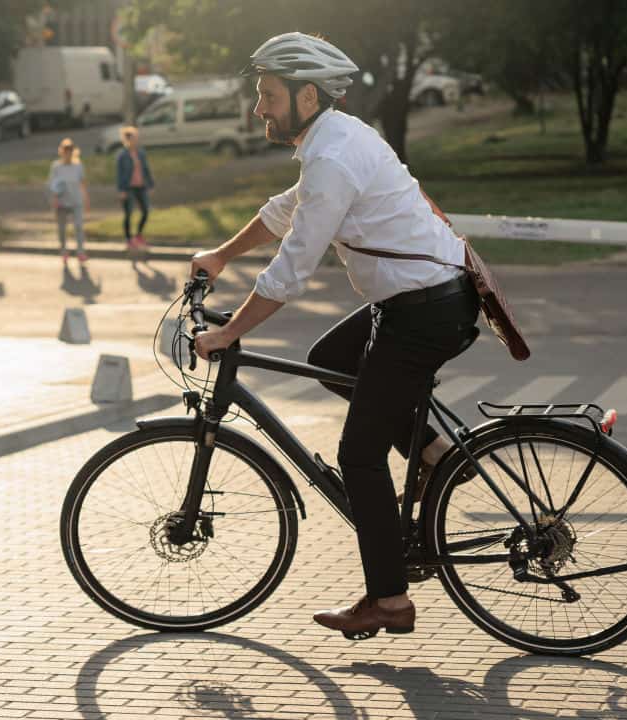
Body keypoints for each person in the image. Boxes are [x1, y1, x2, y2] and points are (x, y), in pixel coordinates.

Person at [191, 32, 480, 638]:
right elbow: (284, 210)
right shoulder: (334, 140)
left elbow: (290, 268)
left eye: (268, 95)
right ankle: (435, 451)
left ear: (306, 96)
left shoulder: (333, 157)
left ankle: (389, 601)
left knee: (359, 457)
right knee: (330, 358)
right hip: (420, 299)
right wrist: (220, 253)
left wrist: (229, 334)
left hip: (422, 310)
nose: (259, 108)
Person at [48, 137, 90, 263]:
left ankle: (80, 251)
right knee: (62, 228)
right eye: (66, 150)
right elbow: (53, 184)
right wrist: (54, 199)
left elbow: (82, 183)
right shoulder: (56, 167)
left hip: (76, 200)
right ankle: (64, 250)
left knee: (78, 226)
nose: (68, 153)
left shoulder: (78, 166)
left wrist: (86, 198)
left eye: (70, 150)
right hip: (62, 202)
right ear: (61, 151)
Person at [115, 126, 154, 251]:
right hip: (128, 188)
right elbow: (119, 174)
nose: (136, 140)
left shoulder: (141, 153)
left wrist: (150, 183)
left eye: (136, 138)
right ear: (127, 139)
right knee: (128, 214)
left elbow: (146, 169)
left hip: (141, 186)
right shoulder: (122, 155)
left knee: (146, 211)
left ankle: (138, 235)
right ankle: (128, 239)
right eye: (133, 138)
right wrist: (121, 190)